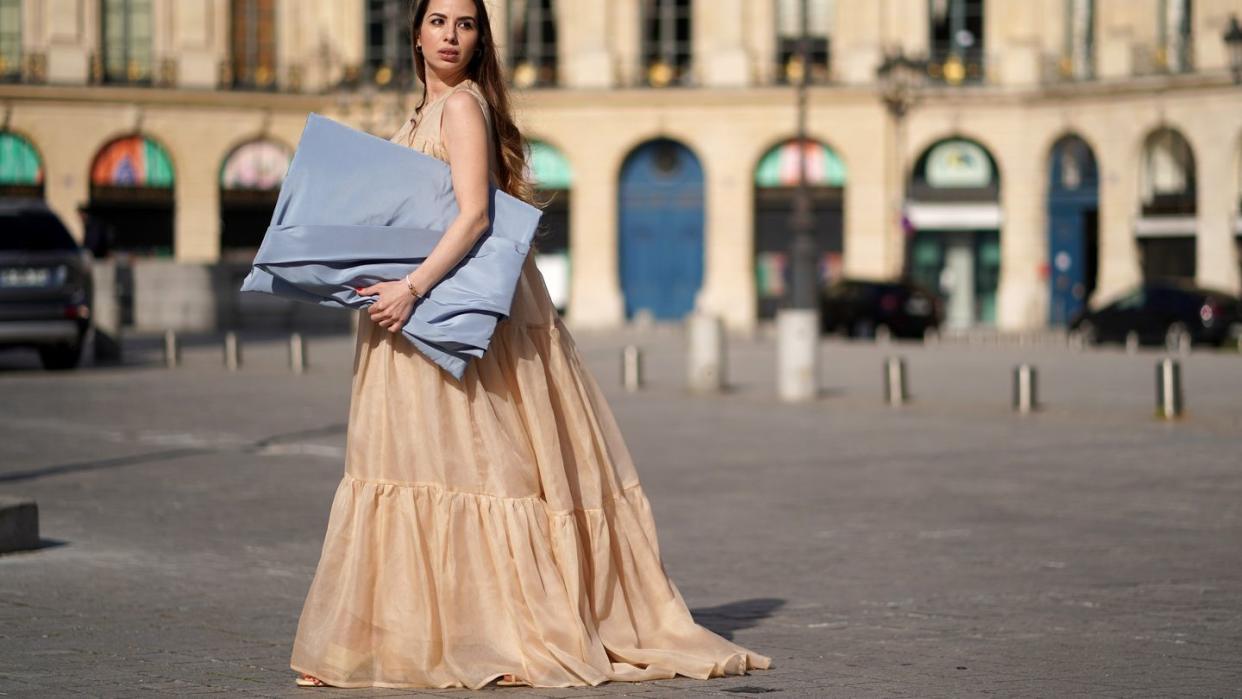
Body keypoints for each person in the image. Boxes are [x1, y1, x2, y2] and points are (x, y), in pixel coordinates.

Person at [290, 0, 772, 689]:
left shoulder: (462, 108)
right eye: (438, 22)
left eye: (465, 24)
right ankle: (408, 639)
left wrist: (411, 289)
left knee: (481, 470)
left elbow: (477, 214)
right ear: (415, 32)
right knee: (423, 468)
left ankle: (491, 633)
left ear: (481, 36)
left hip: (438, 308)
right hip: (409, 320)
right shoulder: (416, 115)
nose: (451, 36)